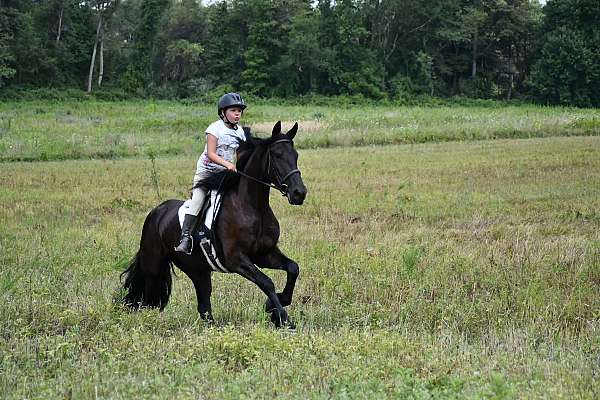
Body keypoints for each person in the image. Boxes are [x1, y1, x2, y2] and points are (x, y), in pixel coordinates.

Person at [174, 92, 247, 254]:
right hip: (206, 173)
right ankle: (185, 238)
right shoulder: (214, 129)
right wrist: (228, 164)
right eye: (233, 110)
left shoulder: (240, 132)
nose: (237, 114)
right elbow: (211, 154)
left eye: (239, 111)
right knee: (198, 200)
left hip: (225, 174)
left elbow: (240, 154)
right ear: (223, 112)